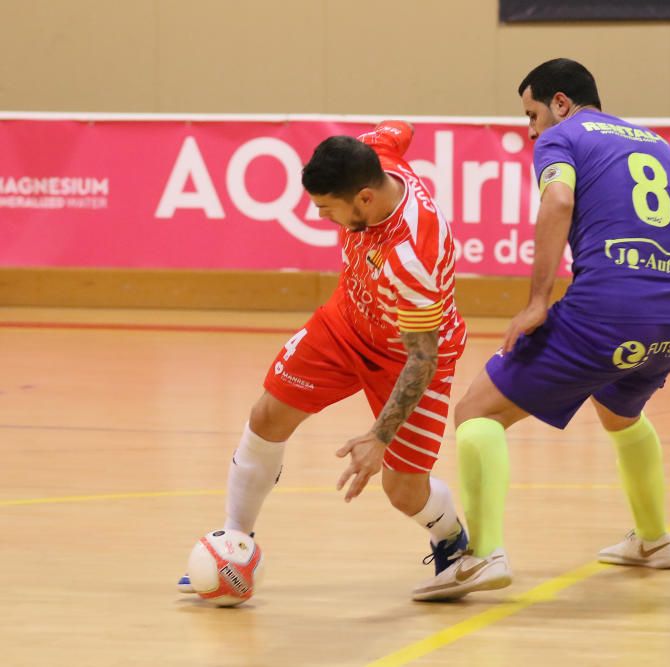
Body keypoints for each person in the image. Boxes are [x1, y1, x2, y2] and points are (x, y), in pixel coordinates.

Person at [410, 58, 670, 602]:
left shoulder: (563, 137)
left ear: (560, 103)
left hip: (606, 309)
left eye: (532, 113)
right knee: (620, 411)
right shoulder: (662, 147)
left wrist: (538, 300)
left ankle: (483, 553)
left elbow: (559, 199)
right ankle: (655, 540)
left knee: (476, 412)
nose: (532, 129)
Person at [177, 121, 471, 600]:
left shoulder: (410, 253)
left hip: (407, 355)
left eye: (326, 209)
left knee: (402, 491)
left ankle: (451, 538)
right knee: (266, 415)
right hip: (346, 322)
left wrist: (379, 437)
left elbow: (423, 356)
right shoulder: (374, 158)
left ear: (364, 200)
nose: (321, 217)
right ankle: (235, 543)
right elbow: (400, 129)